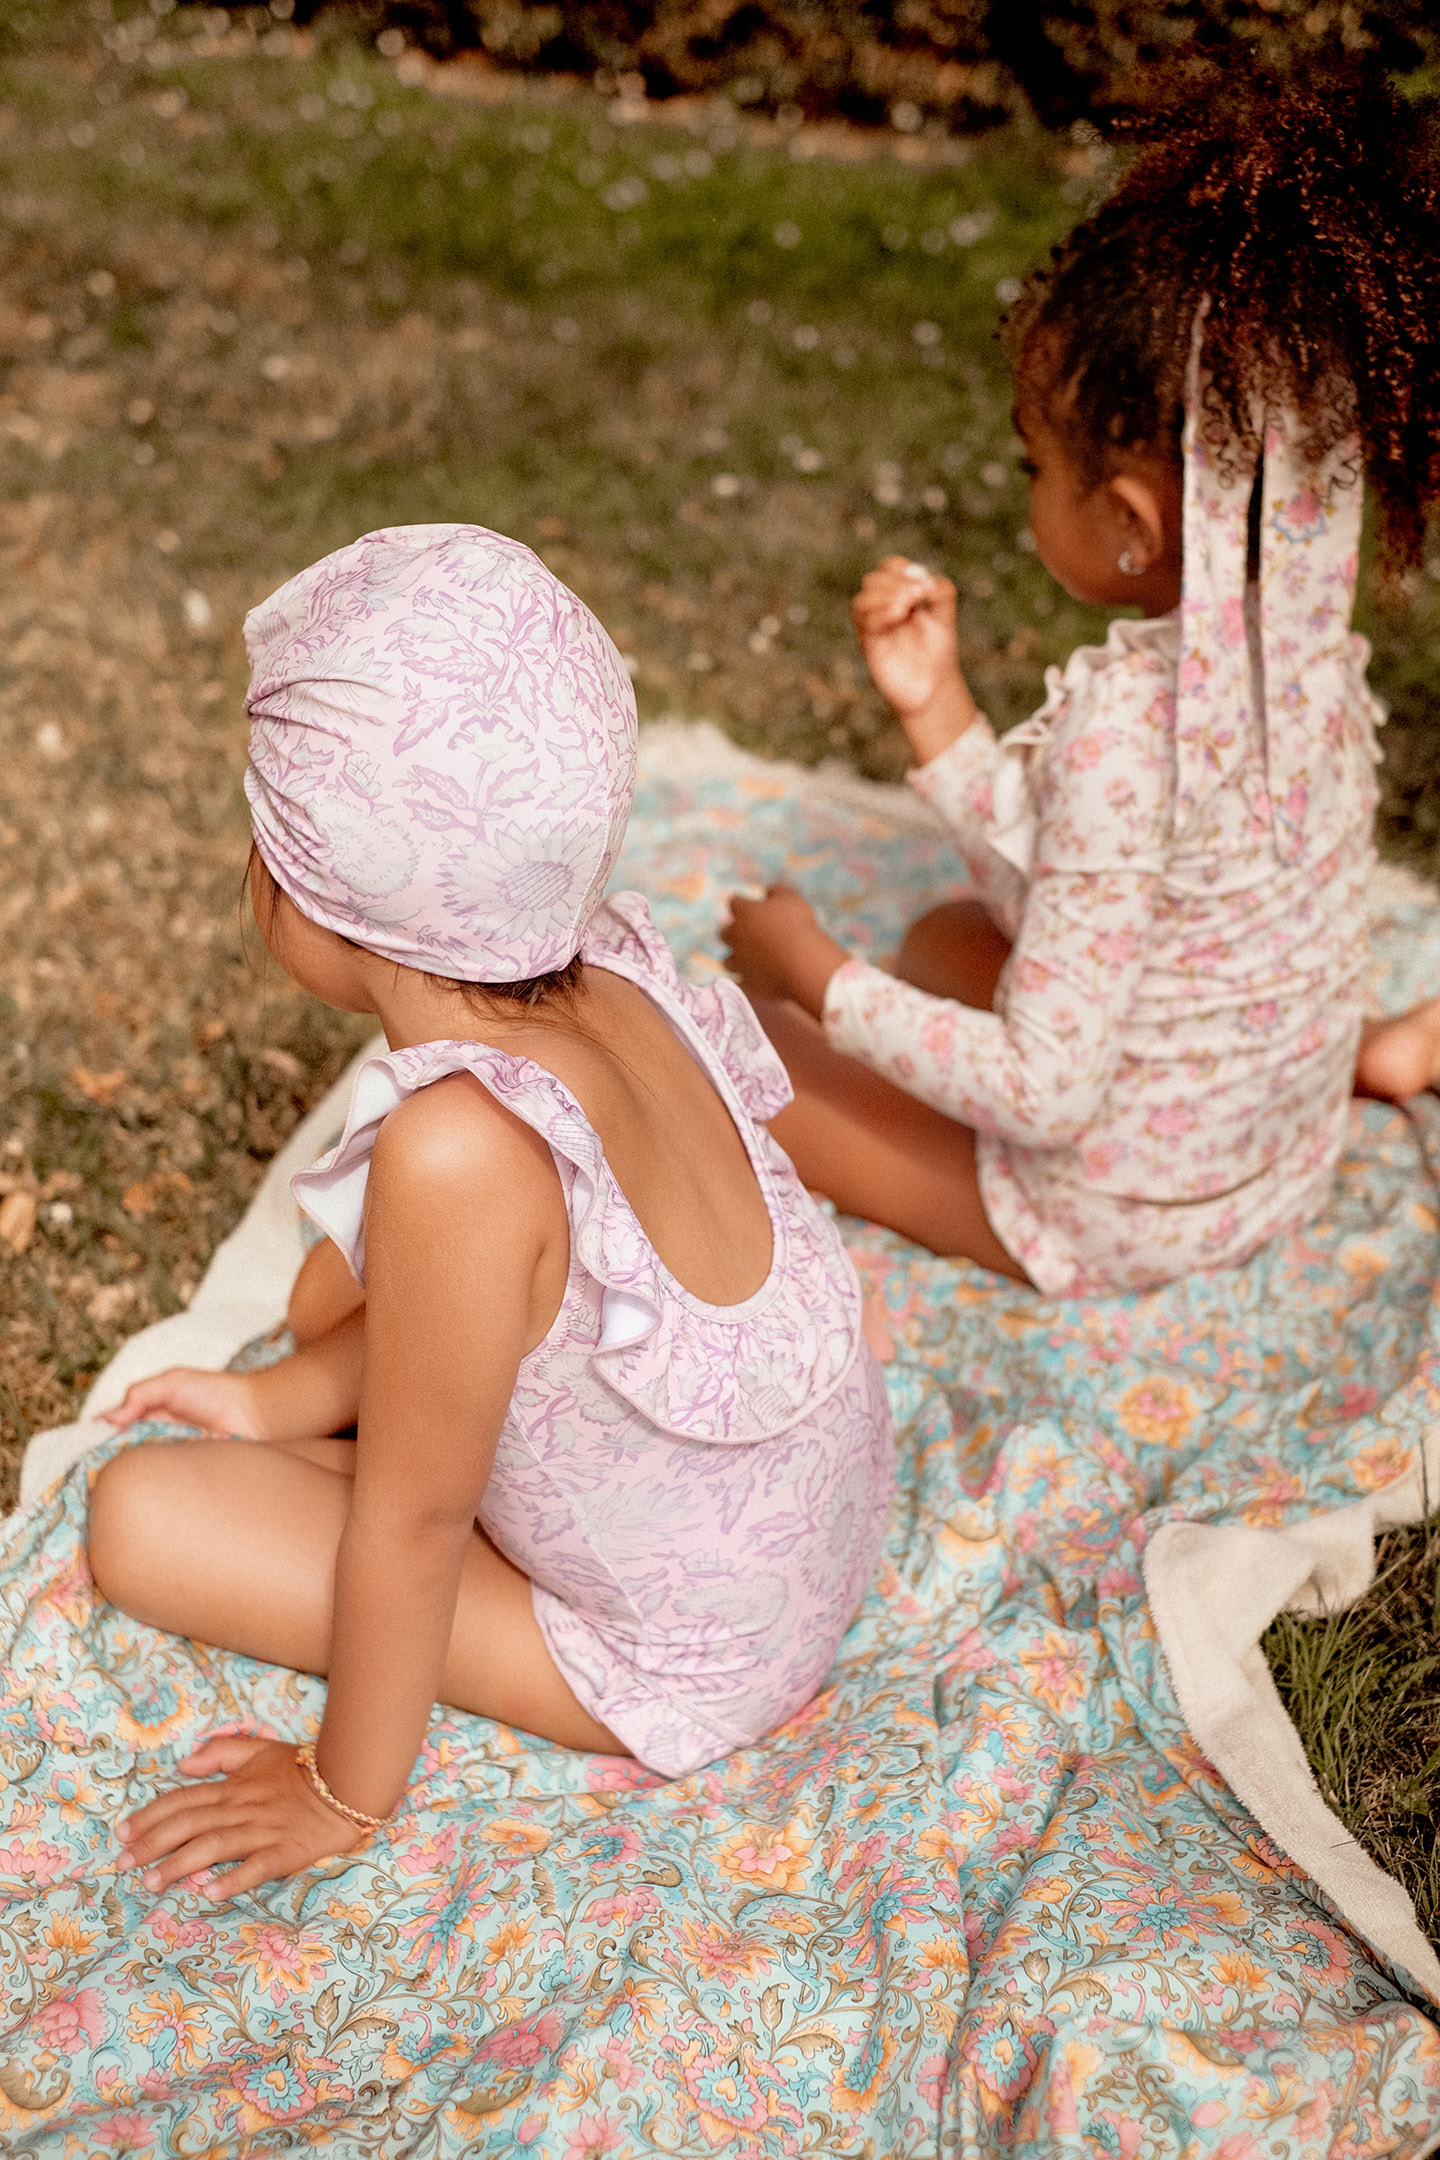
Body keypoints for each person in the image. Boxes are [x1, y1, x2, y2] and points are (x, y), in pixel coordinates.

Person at [87, 525, 893, 1900]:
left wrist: (340, 1793)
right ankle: (307, 1424)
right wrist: (274, 1402)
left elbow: (414, 1527)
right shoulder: (612, 976)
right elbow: (507, 1319)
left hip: (684, 1658)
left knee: (142, 1516)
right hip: (795, 1541)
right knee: (315, 1356)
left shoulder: (458, 1150)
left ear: (321, 890)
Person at [723, 65, 1440, 1298]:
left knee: (741, 1056)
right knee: (943, 938)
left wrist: (813, 974)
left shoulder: (1126, 733)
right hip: (1275, 1145)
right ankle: (1368, 1057)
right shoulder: (1310, 661)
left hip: (1127, 1213)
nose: (1025, 493)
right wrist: (939, 714)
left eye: (1034, 467)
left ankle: (794, 1030)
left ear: (1129, 522)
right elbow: (1101, 887)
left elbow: (1044, 1092)